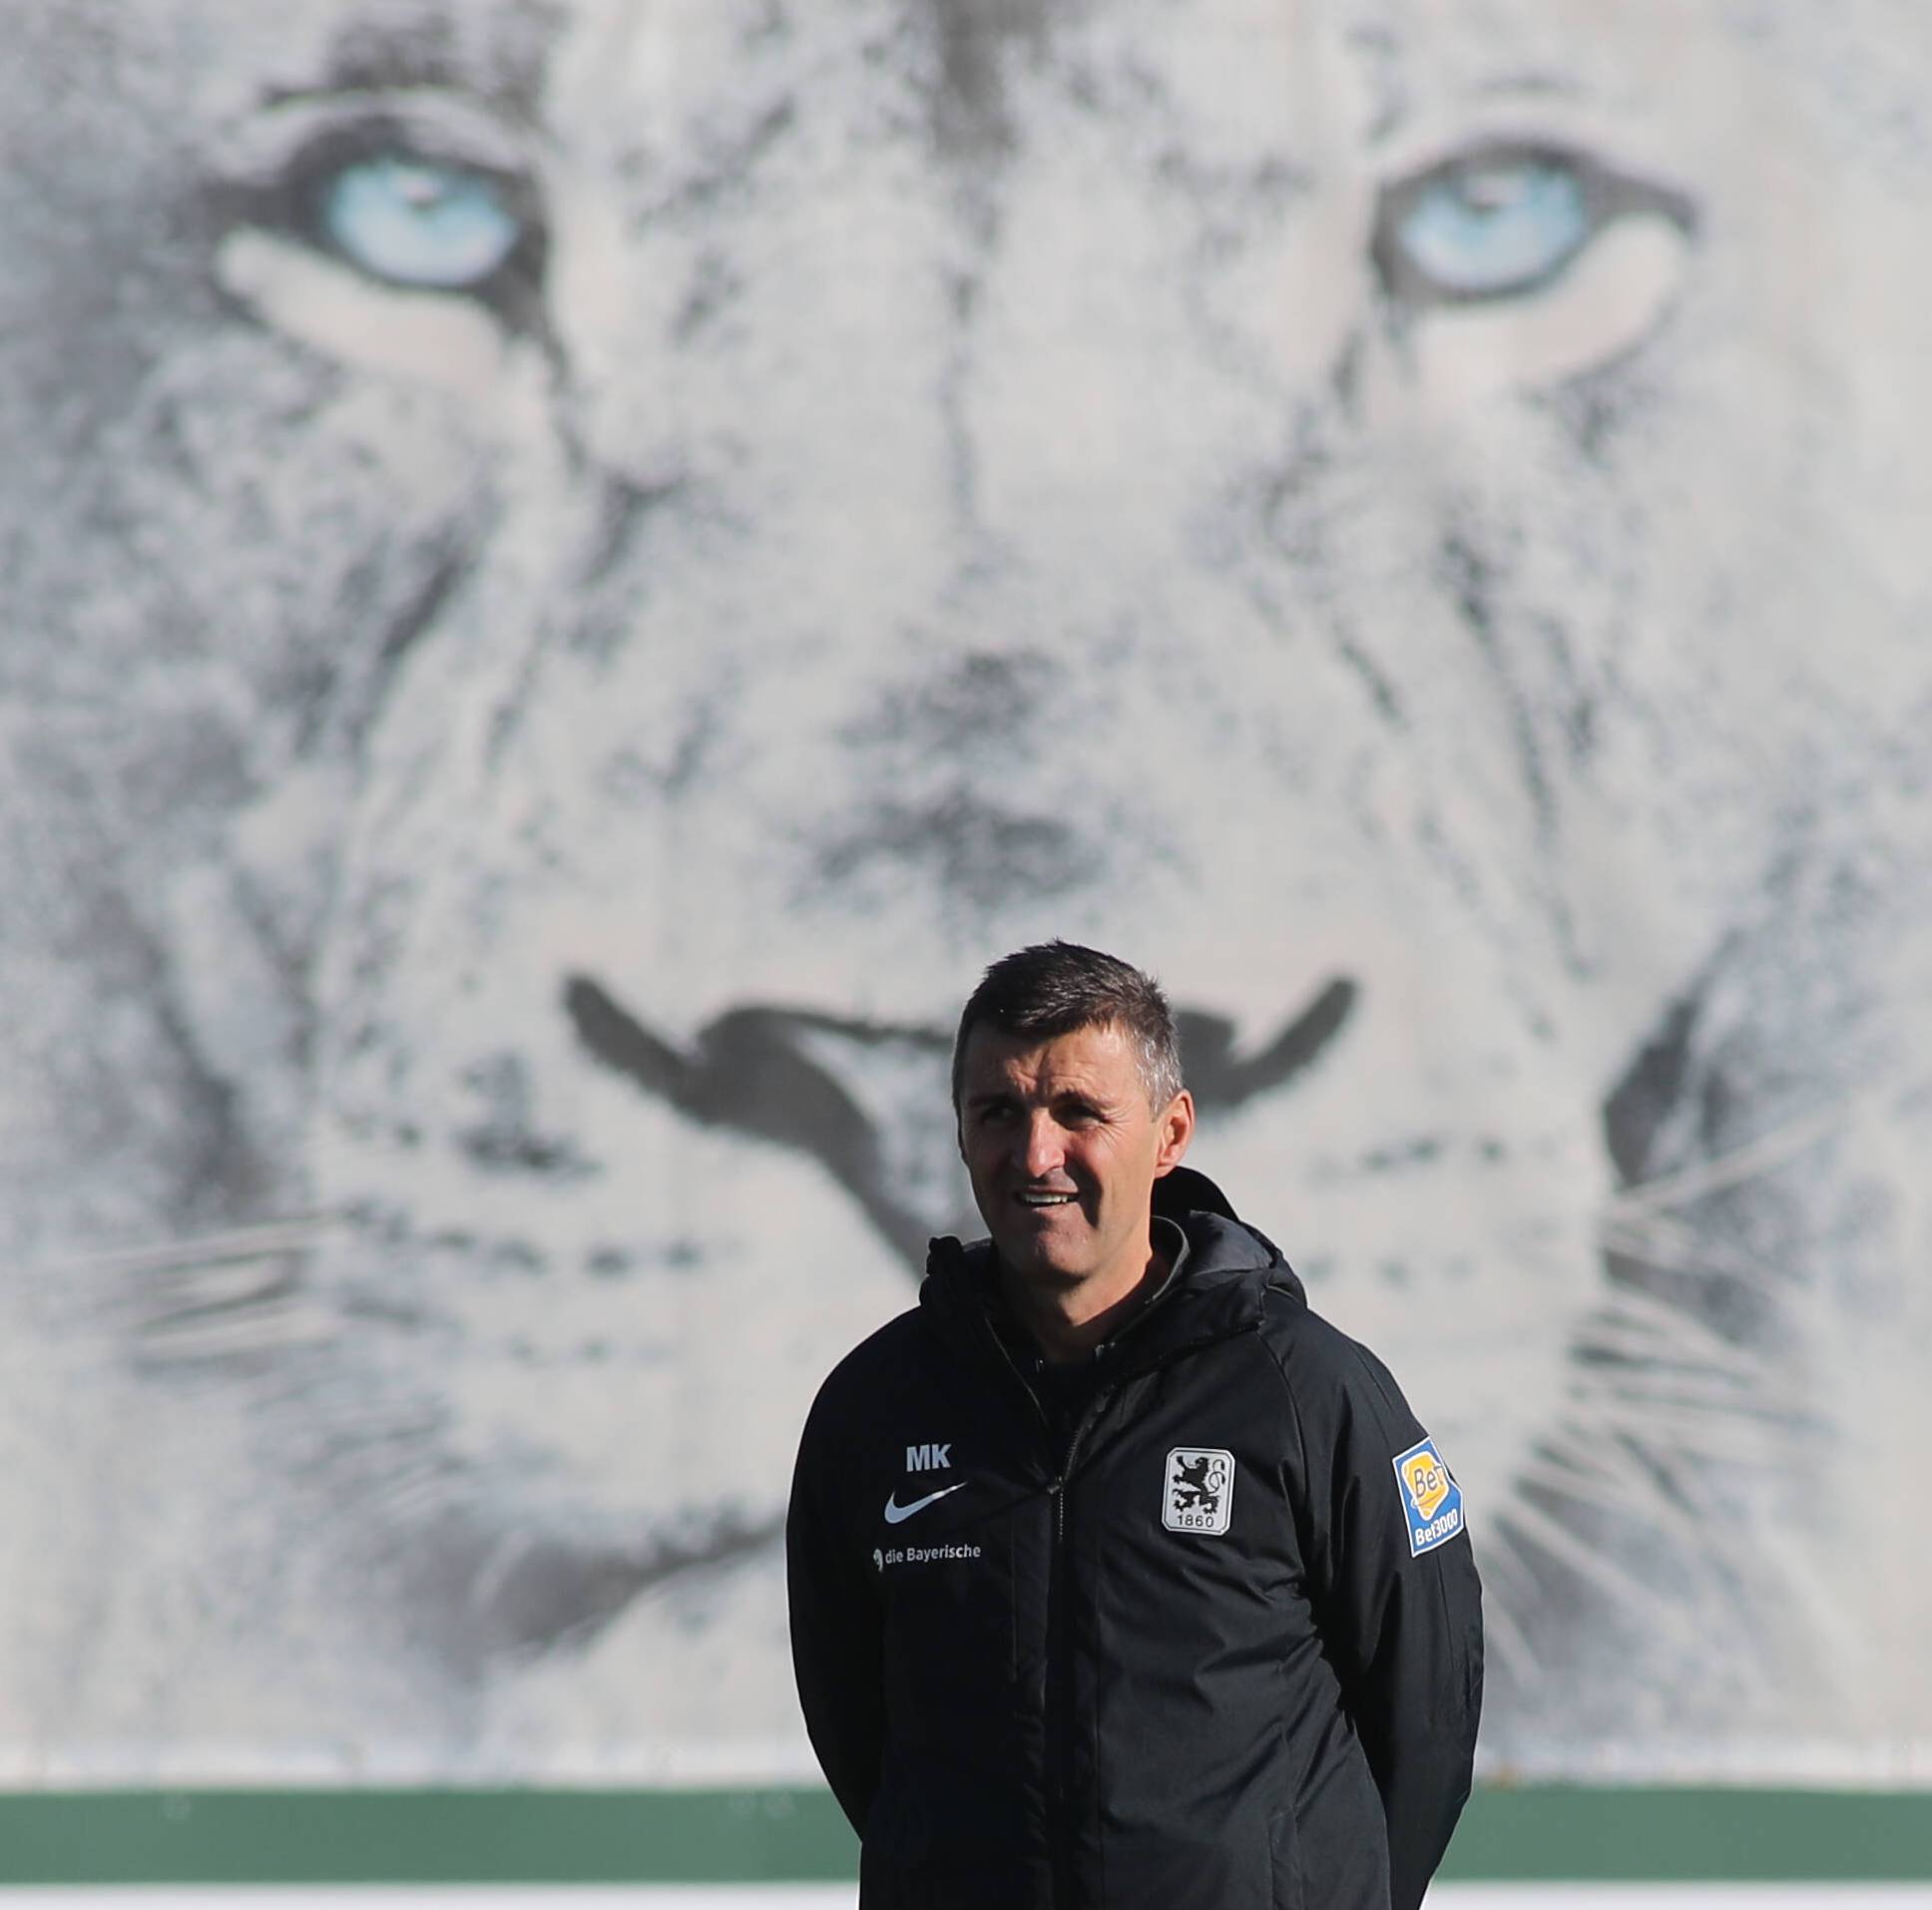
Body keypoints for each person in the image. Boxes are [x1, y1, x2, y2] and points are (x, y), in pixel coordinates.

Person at [787, 941, 1484, 1910]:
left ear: (1169, 1133)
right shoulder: (877, 1406)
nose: (1037, 1154)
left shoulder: (1308, 1392)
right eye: (999, 1112)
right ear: (958, 1130)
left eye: (1079, 1112)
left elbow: (1426, 1720)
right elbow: (855, 1727)